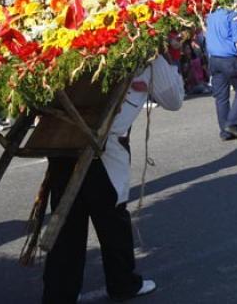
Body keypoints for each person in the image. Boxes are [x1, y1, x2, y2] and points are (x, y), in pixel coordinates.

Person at [43, 54, 184, 303]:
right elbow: (174, 99)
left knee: (67, 224)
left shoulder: (68, 49)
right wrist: (169, 61)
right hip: (102, 151)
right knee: (112, 223)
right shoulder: (147, 56)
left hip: (62, 142)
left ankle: (59, 295)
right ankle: (122, 284)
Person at [205, 6, 237, 140]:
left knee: (221, 96)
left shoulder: (211, 15)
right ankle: (233, 124)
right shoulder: (231, 15)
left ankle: (225, 131)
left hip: (214, 59)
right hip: (229, 59)